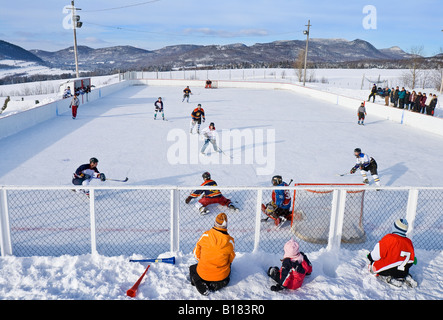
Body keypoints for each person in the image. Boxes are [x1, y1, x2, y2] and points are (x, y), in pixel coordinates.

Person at [189, 212, 235, 295]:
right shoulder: (230, 241)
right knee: (228, 269)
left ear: (215, 223)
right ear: (226, 225)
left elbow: (196, 253)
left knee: (192, 268)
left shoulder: (205, 235)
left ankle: (196, 280)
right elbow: (231, 259)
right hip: (222, 279)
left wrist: (204, 261)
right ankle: (215, 285)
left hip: (204, 274)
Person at [367, 218, 417, 287]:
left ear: (394, 228)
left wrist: (370, 256)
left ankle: (388, 278)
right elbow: (412, 260)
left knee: (373, 267)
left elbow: (376, 255)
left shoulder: (389, 238)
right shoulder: (408, 241)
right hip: (404, 270)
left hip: (390, 270)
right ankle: (405, 276)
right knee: (399, 268)